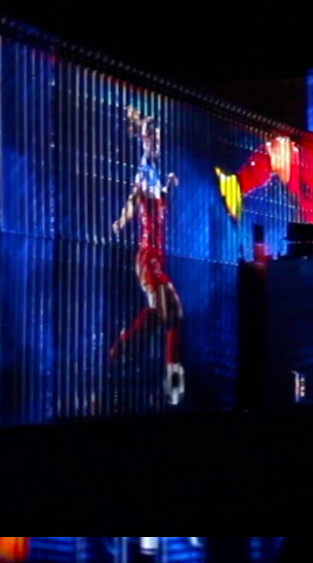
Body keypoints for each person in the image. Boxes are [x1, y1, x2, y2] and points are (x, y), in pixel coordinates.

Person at [109, 107, 186, 405]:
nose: (156, 141)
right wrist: (121, 220)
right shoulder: (143, 171)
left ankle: (121, 352)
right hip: (148, 257)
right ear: (143, 140)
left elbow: (159, 203)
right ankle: (171, 388)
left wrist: (168, 187)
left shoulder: (154, 173)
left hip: (158, 258)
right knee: (173, 313)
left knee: (163, 315)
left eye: (158, 136)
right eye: (150, 136)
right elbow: (134, 199)